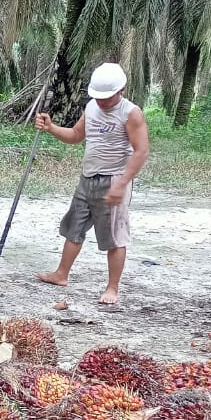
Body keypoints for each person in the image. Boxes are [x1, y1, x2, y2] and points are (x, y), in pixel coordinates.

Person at [34, 62, 150, 305]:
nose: (102, 102)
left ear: (122, 91)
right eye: (98, 97)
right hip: (88, 177)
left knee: (114, 237)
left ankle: (112, 288)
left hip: (114, 179)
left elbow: (141, 152)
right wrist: (51, 128)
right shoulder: (92, 107)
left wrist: (122, 184)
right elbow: (76, 136)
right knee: (74, 227)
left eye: (107, 98)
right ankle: (61, 274)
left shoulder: (130, 113)